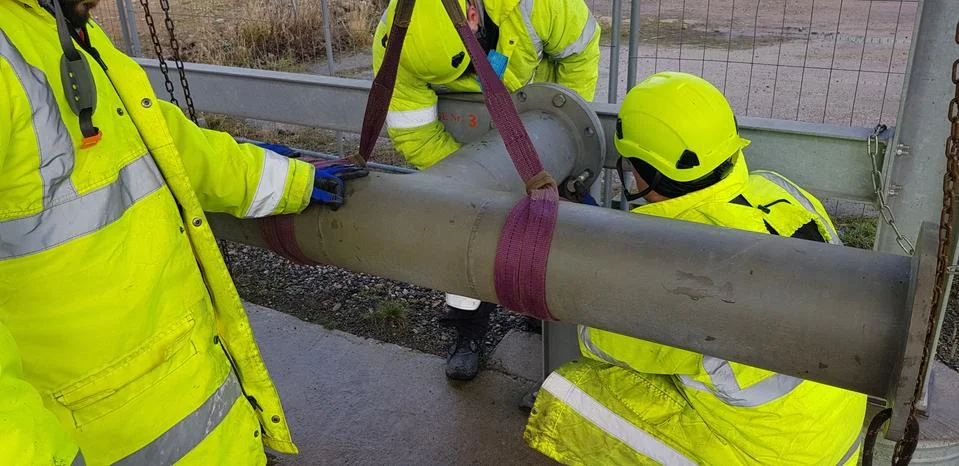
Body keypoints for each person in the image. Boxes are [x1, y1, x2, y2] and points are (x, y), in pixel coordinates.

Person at [0, 0, 367, 463]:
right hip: (101, 434)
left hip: (193, 416)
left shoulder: (56, 29)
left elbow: (162, 143)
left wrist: (285, 179)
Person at [523, 72, 867, 465]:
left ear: (646, 174)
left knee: (575, 394)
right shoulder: (779, 190)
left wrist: (566, 236)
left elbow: (598, 336)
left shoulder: (681, 260)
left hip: (764, 456)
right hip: (833, 437)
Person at [373, 0, 601, 381]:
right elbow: (415, 133)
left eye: (464, 67)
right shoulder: (396, 42)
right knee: (463, 233)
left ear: (472, 16)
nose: (467, 76)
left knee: (549, 233)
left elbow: (580, 51)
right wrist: (478, 177)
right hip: (464, 142)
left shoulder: (540, 5)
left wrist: (560, 133)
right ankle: (467, 332)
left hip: (540, 131)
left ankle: (541, 312)